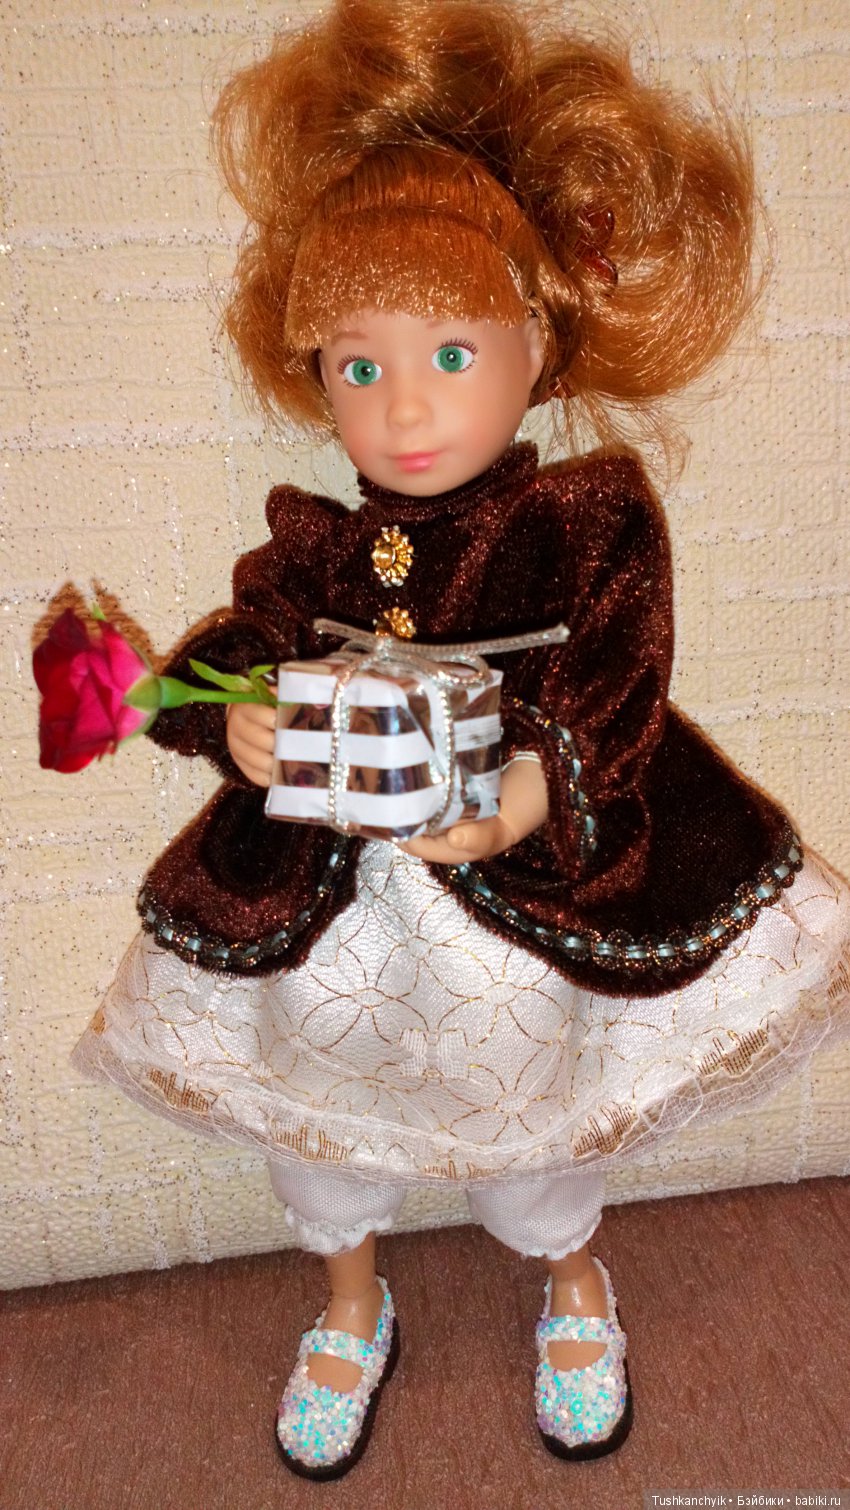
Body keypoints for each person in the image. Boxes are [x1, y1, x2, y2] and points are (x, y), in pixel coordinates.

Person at [72, 0, 850, 1481]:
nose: (406, 404)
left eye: (447, 349)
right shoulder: (315, 542)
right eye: (356, 366)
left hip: (515, 874)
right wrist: (231, 715)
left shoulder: (581, 523)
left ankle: (569, 1272)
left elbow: (619, 676)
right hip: (332, 892)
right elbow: (241, 640)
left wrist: (527, 790)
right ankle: (347, 1297)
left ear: (536, 344)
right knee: (317, 1099)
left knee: (533, 1086)